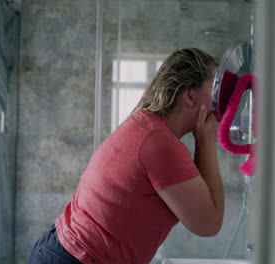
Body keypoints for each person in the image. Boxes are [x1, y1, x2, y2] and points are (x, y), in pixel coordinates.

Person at [28, 48, 224, 264]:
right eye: (215, 88)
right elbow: (209, 224)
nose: (220, 98)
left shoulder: (145, 125)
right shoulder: (160, 143)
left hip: (61, 249)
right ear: (189, 95)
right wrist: (206, 142)